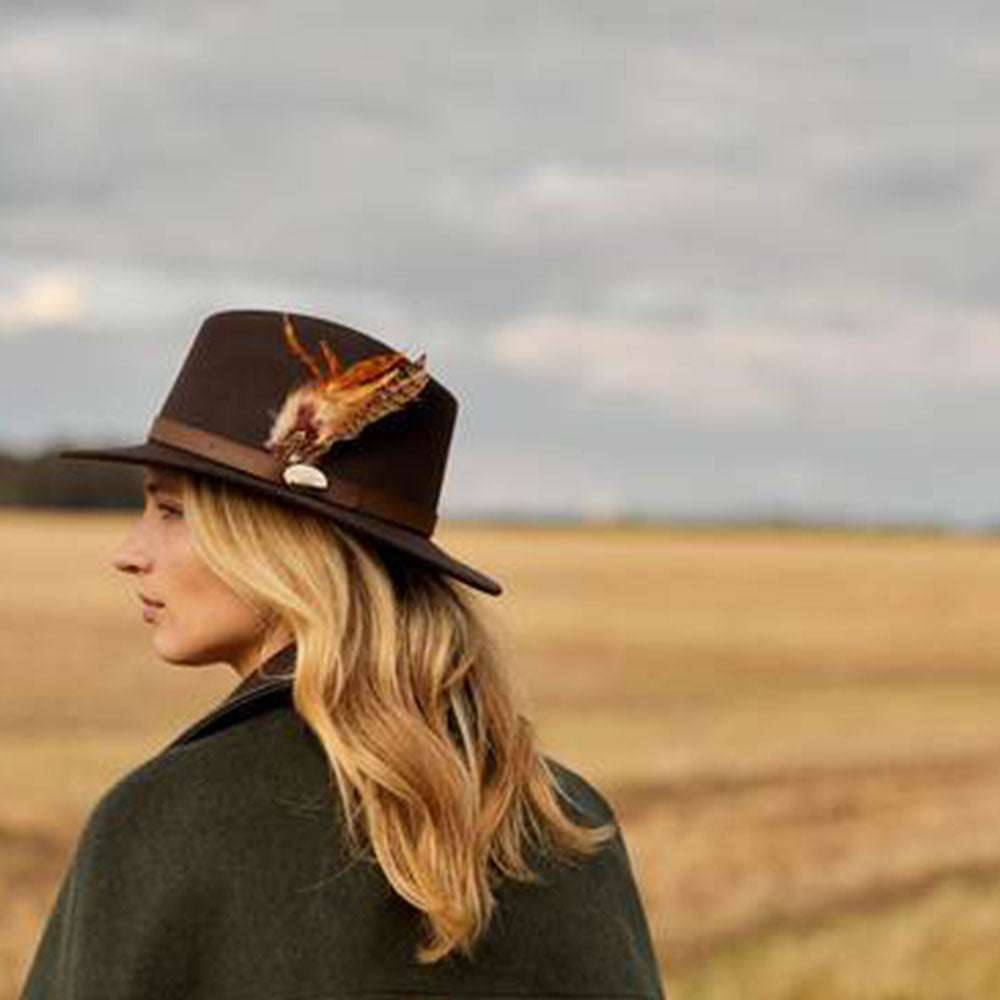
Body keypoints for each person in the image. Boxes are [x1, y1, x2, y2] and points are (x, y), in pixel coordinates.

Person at [20, 308, 666, 999]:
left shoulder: (164, 822)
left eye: (172, 511)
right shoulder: (567, 819)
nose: (129, 554)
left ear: (280, 544)